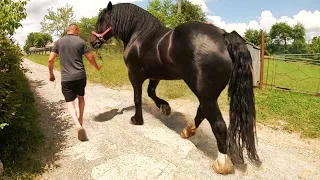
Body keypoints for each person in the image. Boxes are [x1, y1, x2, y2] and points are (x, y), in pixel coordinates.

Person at [48, 24, 101, 141]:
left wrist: (51, 74)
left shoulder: (58, 42)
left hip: (66, 78)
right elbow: (90, 58)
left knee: (70, 102)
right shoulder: (81, 42)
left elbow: (50, 59)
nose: (79, 33)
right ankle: (80, 119)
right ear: (75, 30)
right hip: (80, 76)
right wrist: (97, 67)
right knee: (81, 97)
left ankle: (77, 124)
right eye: (78, 31)